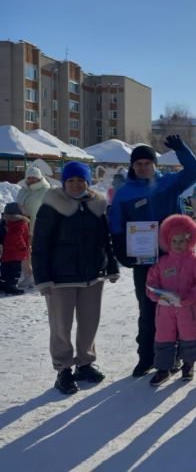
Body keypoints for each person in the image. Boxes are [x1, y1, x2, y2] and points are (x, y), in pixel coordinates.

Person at [109, 135, 196, 377]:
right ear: (132, 166)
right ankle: (147, 357)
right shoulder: (124, 193)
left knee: (177, 307)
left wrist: (182, 149)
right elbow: (117, 224)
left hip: (173, 256)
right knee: (148, 308)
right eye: (138, 164)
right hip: (144, 261)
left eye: (147, 163)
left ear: (154, 165)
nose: (142, 167)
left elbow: (194, 172)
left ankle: (177, 357)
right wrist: (121, 250)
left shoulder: (169, 183)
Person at [32, 161, 119, 395]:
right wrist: (43, 278)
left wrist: (111, 266)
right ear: (64, 182)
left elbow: (105, 240)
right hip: (61, 278)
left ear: (87, 181)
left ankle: (85, 363)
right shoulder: (52, 205)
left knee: (90, 322)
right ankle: (63, 370)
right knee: (61, 326)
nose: (75, 184)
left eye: (80, 180)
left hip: (92, 276)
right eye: (70, 180)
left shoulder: (97, 205)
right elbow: (39, 245)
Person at [145, 214, 196, 386]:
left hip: (188, 308)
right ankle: (163, 368)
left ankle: (188, 365)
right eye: (174, 241)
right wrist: (155, 294)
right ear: (168, 241)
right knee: (163, 337)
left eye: (182, 241)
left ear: (190, 240)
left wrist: (191, 297)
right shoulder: (162, 262)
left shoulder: (195, 262)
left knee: (189, 335)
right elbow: (151, 282)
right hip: (165, 309)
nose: (178, 245)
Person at [16, 166, 51, 288]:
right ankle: (29, 275)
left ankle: (39, 275)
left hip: (38, 227)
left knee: (37, 252)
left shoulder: (46, 190)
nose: (31, 180)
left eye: (34, 177)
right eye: (29, 177)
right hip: (22, 226)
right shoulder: (23, 190)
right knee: (25, 252)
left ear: (39, 177)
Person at [0, 202, 30, 295]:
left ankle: (4, 284)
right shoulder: (21, 223)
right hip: (16, 252)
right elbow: (18, 237)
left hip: (6, 252)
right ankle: (12, 286)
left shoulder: (5, 222)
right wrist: (23, 247)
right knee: (15, 271)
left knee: (5, 268)